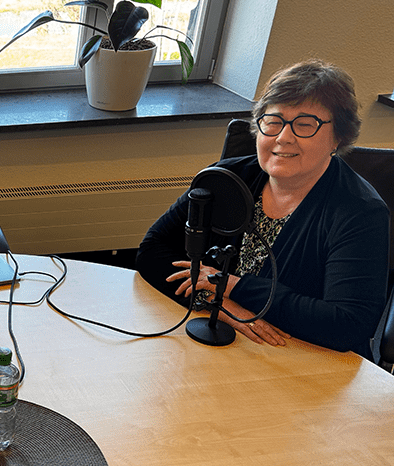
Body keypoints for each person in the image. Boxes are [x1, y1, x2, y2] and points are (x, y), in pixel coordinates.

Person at [136, 59, 389, 359]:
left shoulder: (360, 212)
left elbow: (347, 325)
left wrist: (232, 287)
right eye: (273, 121)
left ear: (339, 137)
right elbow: (152, 251)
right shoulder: (224, 178)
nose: (283, 137)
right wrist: (215, 302)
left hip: (307, 363)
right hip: (221, 346)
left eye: (305, 124)